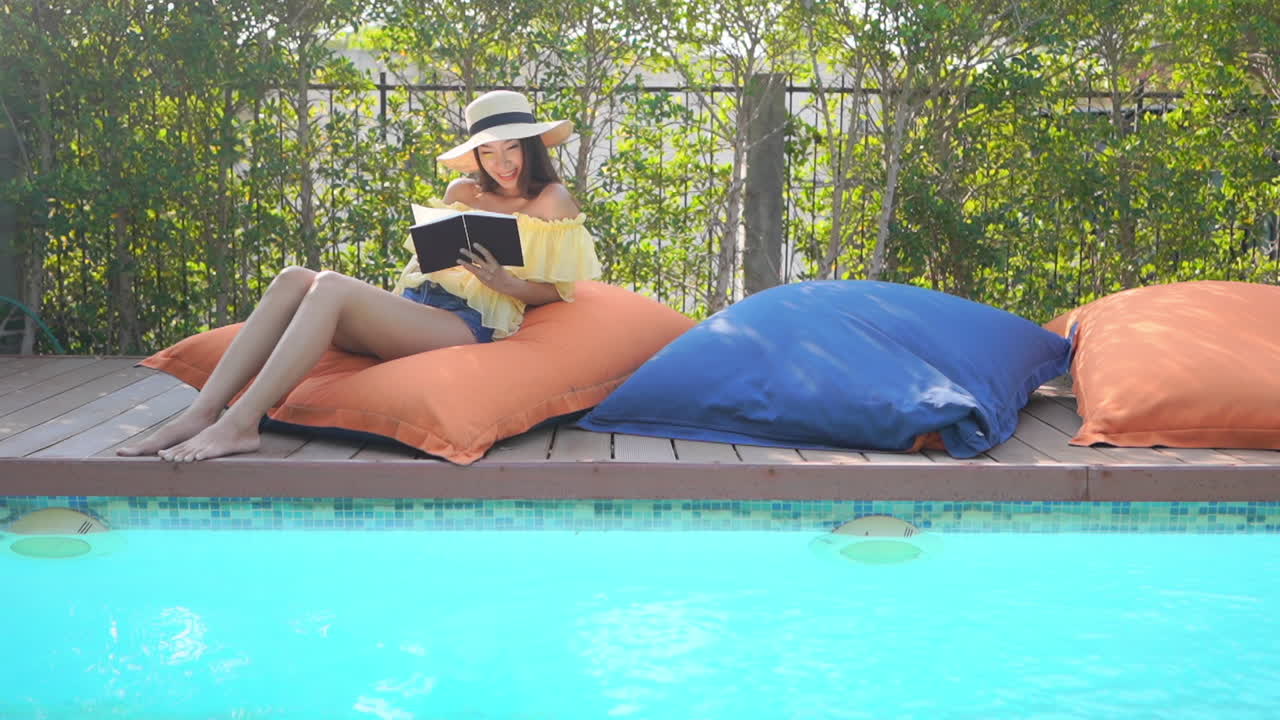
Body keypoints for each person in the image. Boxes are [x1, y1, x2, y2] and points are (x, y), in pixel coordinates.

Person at [119, 90, 601, 462]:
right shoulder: (463, 190)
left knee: (329, 284)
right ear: (474, 156)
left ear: (532, 148)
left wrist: (507, 285)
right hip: (417, 306)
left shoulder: (552, 200)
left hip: (468, 322)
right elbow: (430, 258)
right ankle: (202, 413)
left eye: (513, 149)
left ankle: (242, 423)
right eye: (489, 153)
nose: (503, 164)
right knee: (292, 276)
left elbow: (560, 290)